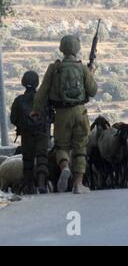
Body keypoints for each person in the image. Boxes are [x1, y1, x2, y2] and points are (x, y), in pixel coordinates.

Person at [31, 35, 98, 194]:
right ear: (77, 49)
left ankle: (65, 166)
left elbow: (42, 92)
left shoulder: (54, 68)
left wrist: (36, 109)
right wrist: (91, 73)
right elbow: (93, 91)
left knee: (62, 146)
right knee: (80, 146)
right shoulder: (82, 68)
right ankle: (78, 184)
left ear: (62, 48)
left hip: (61, 113)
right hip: (80, 112)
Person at [10, 71, 52, 194]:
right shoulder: (44, 99)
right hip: (42, 133)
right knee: (42, 157)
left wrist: (21, 125)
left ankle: (29, 186)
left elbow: (13, 118)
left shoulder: (19, 100)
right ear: (37, 83)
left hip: (26, 134)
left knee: (27, 159)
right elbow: (51, 116)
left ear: (23, 82)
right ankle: (41, 182)